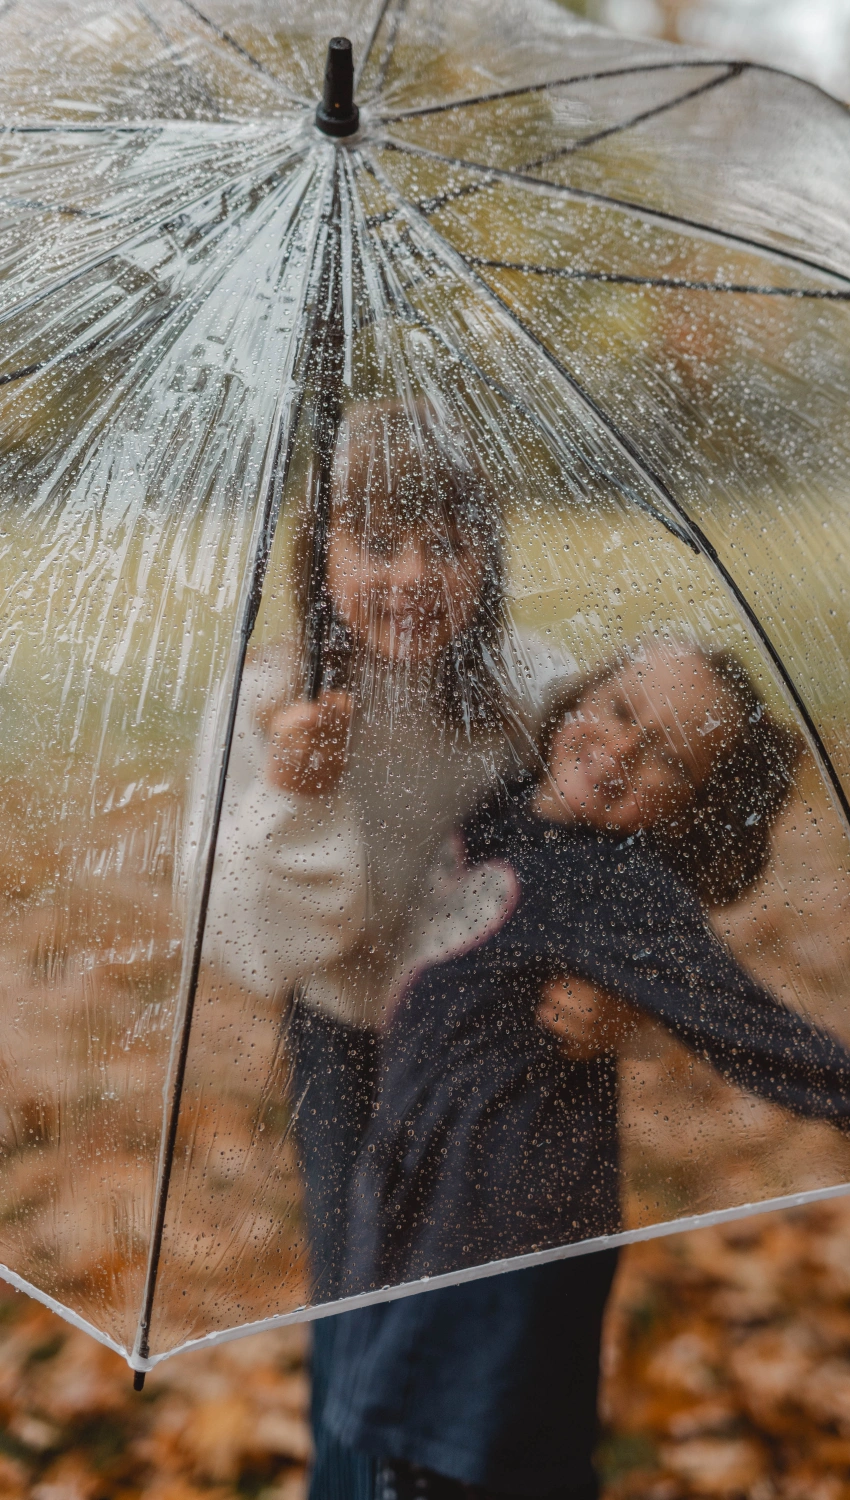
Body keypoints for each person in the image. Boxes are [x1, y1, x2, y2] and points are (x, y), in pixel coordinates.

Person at [313, 641, 850, 1500]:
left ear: (691, 806)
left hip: (506, 1229)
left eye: (667, 755)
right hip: (419, 1194)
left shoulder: (619, 887)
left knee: (465, 1452)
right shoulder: (493, 813)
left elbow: (747, 1029)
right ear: (579, 697)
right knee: (421, 1441)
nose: (621, 747)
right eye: (620, 708)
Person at [205, 397, 574, 1490]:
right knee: (364, 1296)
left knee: (493, 1301)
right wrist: (290, 795)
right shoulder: (273, 697)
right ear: (320, 554)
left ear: (487, 558)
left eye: (447, 545)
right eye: (376, 544)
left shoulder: (530, 690)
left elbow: (613, 864)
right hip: (349, 1047)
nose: (412, 575)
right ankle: (354, 1475)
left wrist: (609, 990)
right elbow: (240, 934)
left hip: (498, 1056)